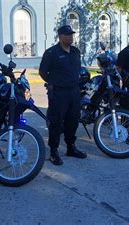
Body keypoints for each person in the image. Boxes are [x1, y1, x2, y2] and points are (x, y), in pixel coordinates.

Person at [39, 25, 87, 166]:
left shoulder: (75, 52)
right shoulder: (51, 53)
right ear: (60, 36)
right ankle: (54, 151)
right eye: (67, 35)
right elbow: (42, 72)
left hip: (74, 92)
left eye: (71, 35)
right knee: (56, 122)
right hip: (58, 93)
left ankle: (71, 147)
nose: (70, 37)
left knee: (72, 121)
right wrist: (53, 82)